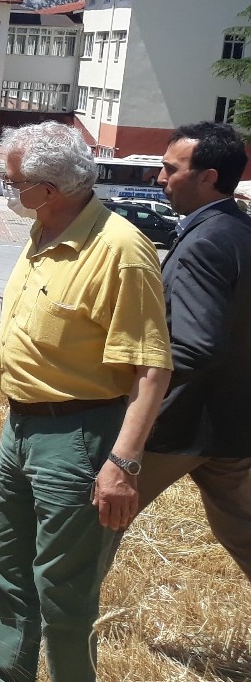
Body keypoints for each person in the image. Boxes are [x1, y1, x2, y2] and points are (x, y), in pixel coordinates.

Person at [0, 121, 172, 682]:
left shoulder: (119, 251)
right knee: (6, 558)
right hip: (23, 426)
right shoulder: (45, 230)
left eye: (14, 183)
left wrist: (122, 463)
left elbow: (151, 370)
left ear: (50, 187)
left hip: (82, 431)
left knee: (62, 578)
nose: (6, 192)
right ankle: (2, 677)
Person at [122, 121, 251, 578]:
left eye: (169, 169)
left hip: (180, 426)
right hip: (236, 429)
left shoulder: (205, 243)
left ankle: (58, 633)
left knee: (90, 523)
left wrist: (133, 377)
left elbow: (197, 346)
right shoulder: (239, 230)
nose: (159, 178)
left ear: (208, 176)